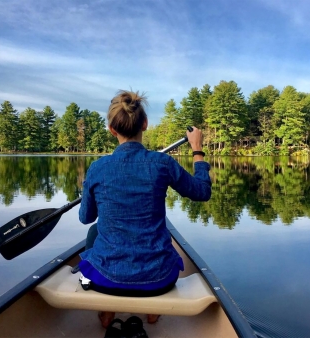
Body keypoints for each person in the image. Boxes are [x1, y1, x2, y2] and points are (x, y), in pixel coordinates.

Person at [78, 90, 212, 328]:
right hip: (159, 279)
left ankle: (107, 311)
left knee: (94, 232)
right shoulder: (162, 164)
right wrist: (197, 150)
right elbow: (202, 192)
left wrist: (86, 189)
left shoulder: (97, 168)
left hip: (105, 278)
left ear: (112, 130)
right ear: (145, 124)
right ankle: (152, 312)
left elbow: (86, 217)